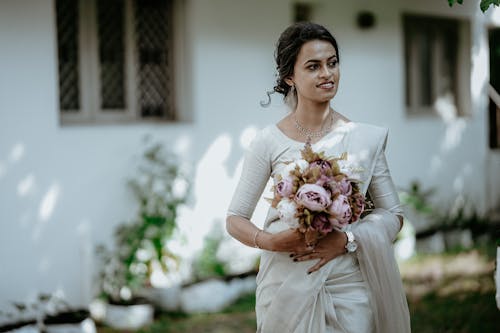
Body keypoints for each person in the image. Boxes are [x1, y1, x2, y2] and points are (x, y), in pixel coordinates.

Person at [226, 22, 411, 333]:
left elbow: (394, 214)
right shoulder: (268, 142)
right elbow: (235, 218)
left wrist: (347, 240)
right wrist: (269, 240)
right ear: (290, 77)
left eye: (333, 63)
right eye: (313, 66)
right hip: (285, 284)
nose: (327, 74)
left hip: (348, 287)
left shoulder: (364, 140)